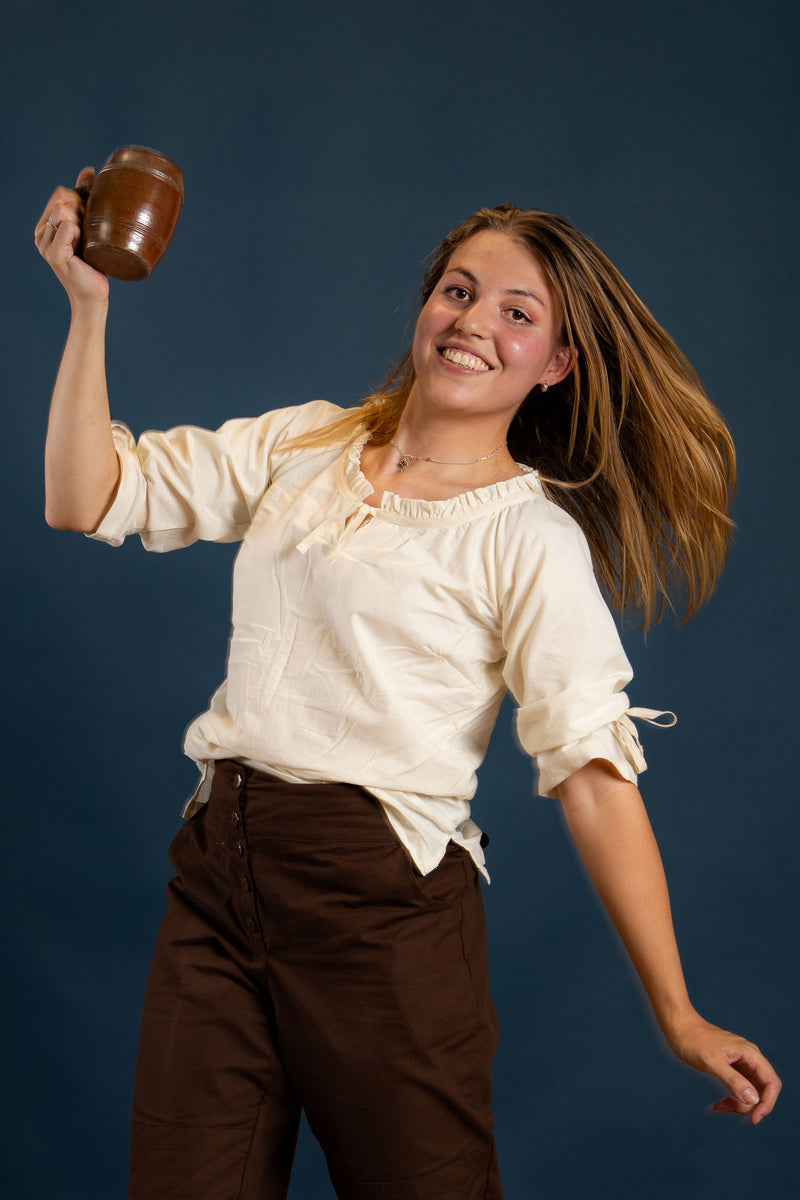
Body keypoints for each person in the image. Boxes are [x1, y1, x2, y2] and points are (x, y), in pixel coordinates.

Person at [35, 169, 781, 1200]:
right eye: (458, 290)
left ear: (556, 364)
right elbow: (86, 497)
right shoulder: (309, 443)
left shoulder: (528, 538)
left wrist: (676, 1012)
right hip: (218, 875)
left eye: (517, 313)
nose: (473, 321)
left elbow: (595, 780)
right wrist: (88, 309)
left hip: (381, 909)